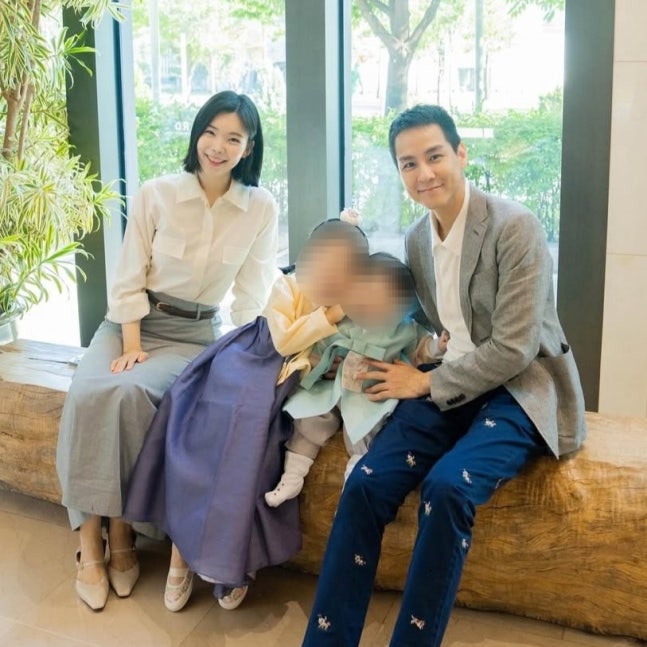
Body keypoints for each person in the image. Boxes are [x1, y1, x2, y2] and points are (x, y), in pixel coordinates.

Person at [301, 104, 587, 647]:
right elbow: (426, 325)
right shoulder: (416, 241)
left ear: (461, 154)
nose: (424, 173)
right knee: (364, 483)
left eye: (434, 156)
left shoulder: (515, 227)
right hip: (451, 376)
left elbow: (516, 347)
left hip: (518, 387)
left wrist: (426, 383)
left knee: (447, 488)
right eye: (408, 164)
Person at [56, 91, 278, 612]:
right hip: (130, 323)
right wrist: (132, 344)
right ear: (197, 134)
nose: (218, 146)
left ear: (248, 148)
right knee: (89, 393)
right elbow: (128, 276)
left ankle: (122, 530)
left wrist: (253, 356)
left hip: (193, 336)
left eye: (233, 138)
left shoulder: (260, 208)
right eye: (210, 132)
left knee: (129, 394)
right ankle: (92, 544)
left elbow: (252, 294)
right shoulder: (157, 194)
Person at [123, 219, 370, 613]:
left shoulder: (351, 308)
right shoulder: (288, 286)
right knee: (214, 422)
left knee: (257, 445)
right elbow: (284, 339)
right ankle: (181, 552)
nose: (330, 274)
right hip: (253, 357)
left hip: (291, 380)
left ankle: (235, 562)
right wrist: (331, 316)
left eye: (344, 269)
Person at [266, 252, 443, 507]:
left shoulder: (403, 330)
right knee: (309, 421)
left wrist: (438, 347)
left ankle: (353, 478)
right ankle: (292, 475)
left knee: (364, 432)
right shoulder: (344, 321)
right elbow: (319, 346)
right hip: (332, 387)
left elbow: (421, 350)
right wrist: (318, 365)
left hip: (367, 395)